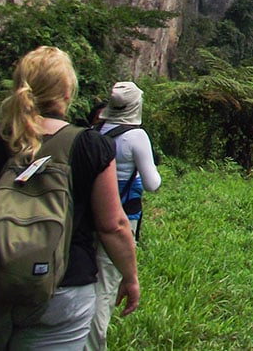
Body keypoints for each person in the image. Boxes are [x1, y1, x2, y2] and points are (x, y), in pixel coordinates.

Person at [0, 46, 139, 350]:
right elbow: (113, 226)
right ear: (67, 92)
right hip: (64, 289)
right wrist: (129, 277)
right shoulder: (90, 145)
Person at [85, 81, 160, 351]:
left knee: (85, 284)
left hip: (86, 219)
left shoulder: (93, 131)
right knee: (104, 289)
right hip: (120, 220)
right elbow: (152, 184)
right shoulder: (136, 137)